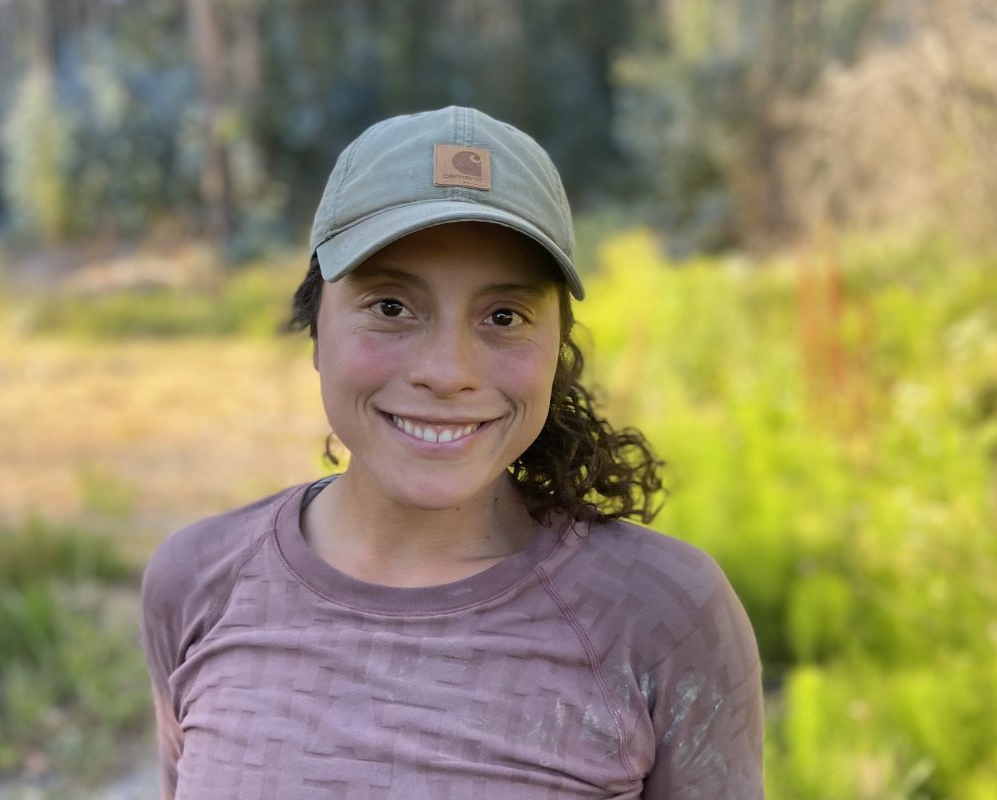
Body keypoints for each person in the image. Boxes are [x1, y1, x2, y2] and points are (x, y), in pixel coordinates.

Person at [140, 106, 764, 799]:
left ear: (557, 349)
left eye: (504, 317)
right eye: (390, 307)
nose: (447, 371)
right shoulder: (199, 582)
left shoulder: (660, 617)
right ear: (315, 326)